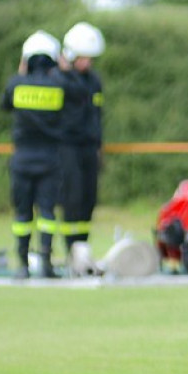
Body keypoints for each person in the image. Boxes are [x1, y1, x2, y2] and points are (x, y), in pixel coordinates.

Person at [1, 30, 83, 279]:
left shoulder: (16, 84)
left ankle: (22, 265)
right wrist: (65, 69)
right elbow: (80, 94)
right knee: (47, 212)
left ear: (26, 59)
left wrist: (21, 72)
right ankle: (46, 263)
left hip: (22, 159)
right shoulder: (60, 85)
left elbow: (5, 105)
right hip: (50, 159)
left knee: (22, 215)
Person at [59, 22, 106, 254]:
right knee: (73, 198)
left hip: (89, 148)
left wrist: (98, 147)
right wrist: (66, 71)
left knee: (88, 198)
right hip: (68, 147)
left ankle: (83, 246)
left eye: (90, 58)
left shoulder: (94, 81)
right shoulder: (60, 79)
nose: (88, 63)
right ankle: (71, 249)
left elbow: (97, 115)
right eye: (83, 58)